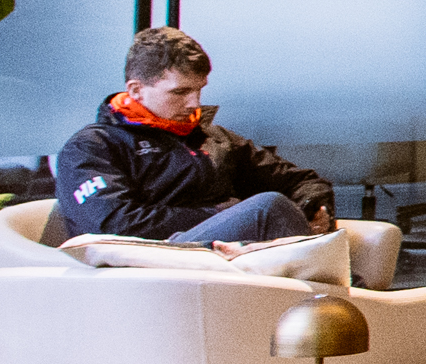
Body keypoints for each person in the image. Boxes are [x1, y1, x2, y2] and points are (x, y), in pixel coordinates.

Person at [56, 26, 339, 249]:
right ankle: (344, 301)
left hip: (226, 255)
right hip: (155, 259)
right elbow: (113, 224)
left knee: (275, 210)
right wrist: (222, 213)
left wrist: (310, 210)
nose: (195, 104)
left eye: (199, 90)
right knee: (268, 209)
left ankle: (353, 301)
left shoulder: (213, 139)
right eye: (180, 92)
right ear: (135, 89)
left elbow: (302, 180)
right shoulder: (93, 147)